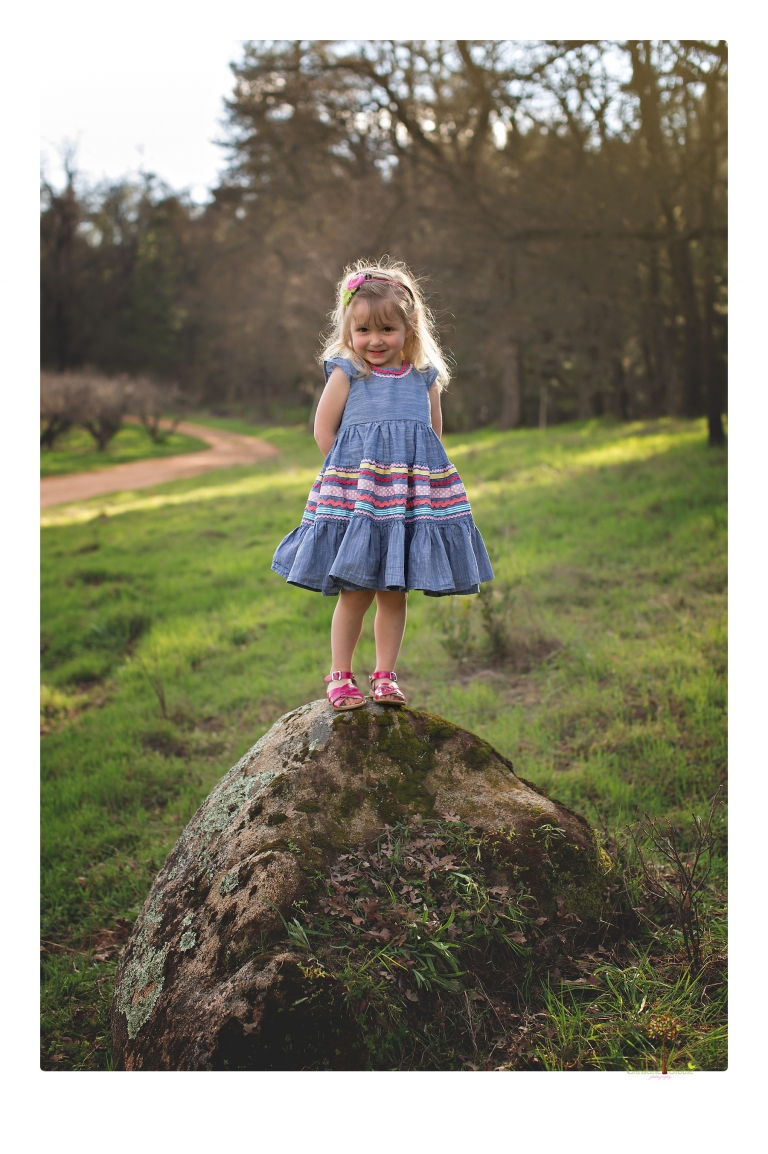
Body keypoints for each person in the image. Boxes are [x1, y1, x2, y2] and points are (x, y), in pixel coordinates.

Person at [272, 260, 494, 711]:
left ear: (409, 329)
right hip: (360, 499)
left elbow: (431, 437)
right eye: (364, 331)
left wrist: (420, 491)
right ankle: (340, 676)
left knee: (394, 593)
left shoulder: (424, 379)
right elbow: (323, 432)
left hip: (405, 503)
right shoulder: (348, 373)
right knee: (354, 591)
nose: (375, 340)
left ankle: (386, 676)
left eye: (387, 329)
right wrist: (352, 481)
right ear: (349, 332)